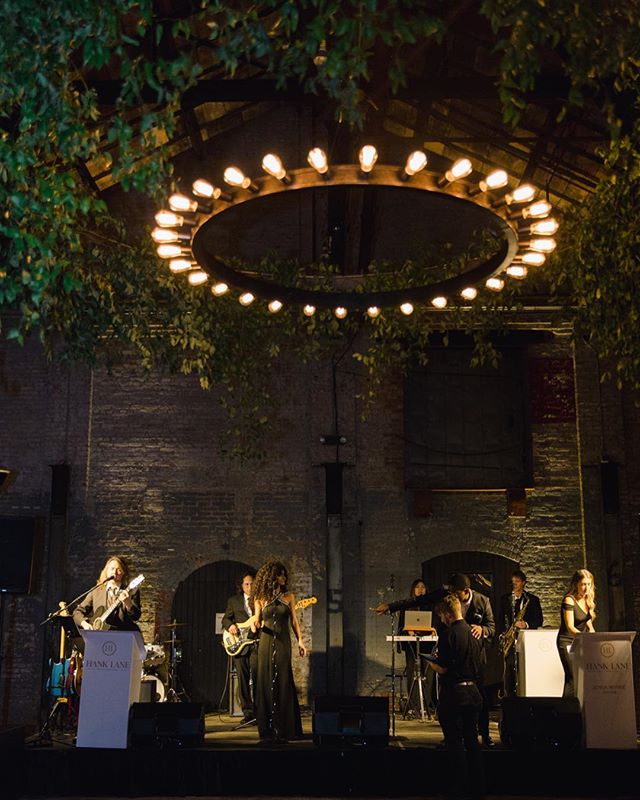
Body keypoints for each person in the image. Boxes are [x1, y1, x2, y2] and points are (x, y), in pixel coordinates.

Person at [427, 594, 484, 800]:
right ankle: (478, 788)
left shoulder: (449, 634)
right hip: (474, 692)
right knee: (472, 740)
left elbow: (443, 668)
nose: (441, 619)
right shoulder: (474, 633)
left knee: (454, 742)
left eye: (441, 615)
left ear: (447, 614)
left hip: (455, 694)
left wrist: (431, 663)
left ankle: (459, 788)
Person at [252, 559, 307, 742]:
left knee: (283, 680)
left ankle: (286, 727)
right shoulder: (260, 598)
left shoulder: (289, 597)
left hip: (283, 642)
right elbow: (257, 622)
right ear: (272, 577)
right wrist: (255, 624)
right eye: (281, 574)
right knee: (266, 680)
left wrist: (300, 641)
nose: (284, 577)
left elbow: (294, 621)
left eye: (285, 574)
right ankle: (267, 728)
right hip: (266, 642)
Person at [498, 569, 544, 697]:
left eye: (517, 581)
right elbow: (500, 620)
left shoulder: (532, 600)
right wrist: (503, 636)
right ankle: (509, 701)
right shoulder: (505, 599)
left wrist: (526, 625)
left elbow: (539, 621)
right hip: (510, 641)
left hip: (526, 642)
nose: (514, 584)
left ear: (524, 583)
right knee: (509, 675)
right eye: (513, 582)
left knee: (525, 672)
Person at [222, 571, 259, 724]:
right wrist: (230, 626)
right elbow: (226, 618)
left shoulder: (260, 600)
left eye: (252, 583)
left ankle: (260, 711)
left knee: (258, 677)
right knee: (242, 679)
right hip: (239, 644)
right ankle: (248, 713)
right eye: (246, 584)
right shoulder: (234, 601)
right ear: (241, 586)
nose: (250, 587)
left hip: (256, 642)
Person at [397, 579, 436, 717]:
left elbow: (436, 623)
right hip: (412, 645)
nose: (420, 589)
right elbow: (401, 626)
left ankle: (425, 705)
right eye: (417, 587)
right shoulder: (407, 605)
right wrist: (408, 630)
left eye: (423, 587)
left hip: (427, 645)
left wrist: (432, 630)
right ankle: (413, 706)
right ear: (413, 589)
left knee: (428, 675)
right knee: (412, 674)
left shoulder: (431, 605)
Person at [73, 555, 141, 633]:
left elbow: (136, 616)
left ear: (123, 573)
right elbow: (77, 612)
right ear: (106, 571)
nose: (114, 572)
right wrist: (84, 623)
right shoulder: (96, 591)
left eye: (119, 570)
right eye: (112, 569)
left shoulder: (131, 592)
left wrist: (128, 603)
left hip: (122, 637)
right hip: (98, 638)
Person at [556, 568, 596, 698]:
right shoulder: (569, 599)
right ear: (576, 584)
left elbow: (588, 624)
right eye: (583, 584)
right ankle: (566, 712)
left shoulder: (588, 600)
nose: (586, 588)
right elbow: (570, 627)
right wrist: (585, 638)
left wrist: (594, 637)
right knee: (572, 676)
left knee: (583, 677)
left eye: (589, 584)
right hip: (567, 641)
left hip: (581, 641)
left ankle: (580, 709)